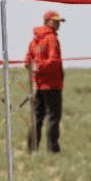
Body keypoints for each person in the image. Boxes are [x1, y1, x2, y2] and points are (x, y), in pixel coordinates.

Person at [25, 10, 65, 153]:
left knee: (37, 118)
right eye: (56, 22)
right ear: (49, 21)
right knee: (54, 118)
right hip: (52, 85)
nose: (58, 25)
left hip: (38, 86)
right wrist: (41, 66)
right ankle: (53, 150)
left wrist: (36, 67)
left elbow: (27, 61)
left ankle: (32, 149)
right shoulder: (51, 39)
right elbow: (54, 62)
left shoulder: (35, 40)